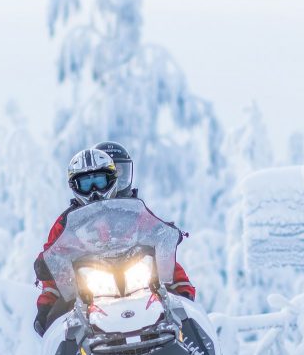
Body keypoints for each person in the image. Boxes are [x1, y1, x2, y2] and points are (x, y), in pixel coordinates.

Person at [32, 144, 196, 335]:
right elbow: (55, 256)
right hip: (87, 292)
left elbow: (159, 246)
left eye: (99, 182)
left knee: (182, 310)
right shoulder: (66, 223)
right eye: (86, 184)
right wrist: (47, 296)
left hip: (138, 282)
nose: (94, 190)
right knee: (57, 324)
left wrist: (179, 282)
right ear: (75, 187)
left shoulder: (132, 212)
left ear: (111, 180)